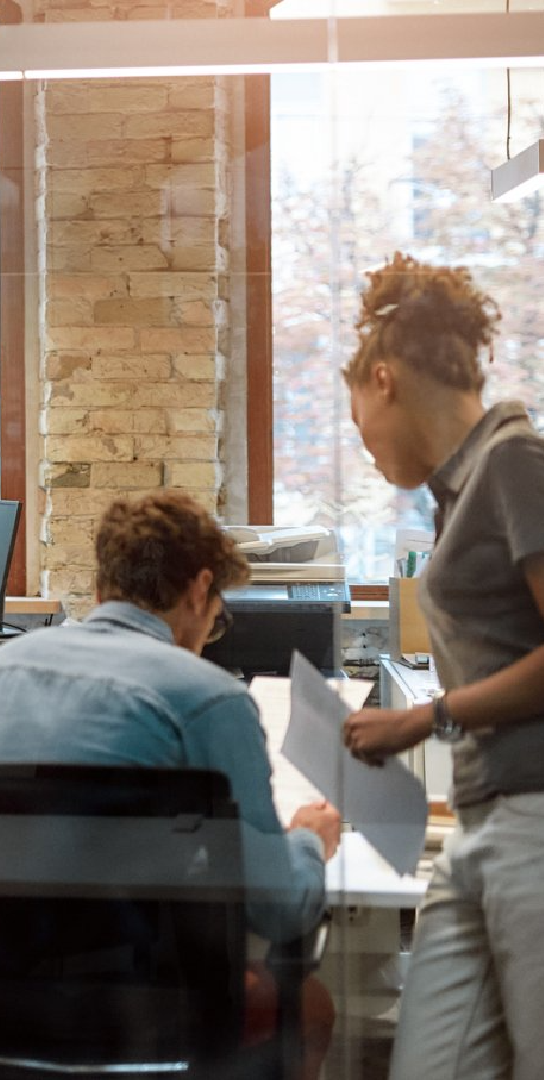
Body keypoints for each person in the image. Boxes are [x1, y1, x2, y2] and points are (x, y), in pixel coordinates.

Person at [0, 491, 341, 1080]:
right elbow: (278, 909)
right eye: (217, 611)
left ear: (104, 587)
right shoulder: (208, 696)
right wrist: (308, 840)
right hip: (143, 1021)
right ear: (198, 588)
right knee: (311, 1005)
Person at [341, 252, 544, 1080]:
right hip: (483, 819)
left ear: (384, 381)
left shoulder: (513, 461)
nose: (368, 453)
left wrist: (427, 717)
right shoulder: (463, 489)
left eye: (360, 426)